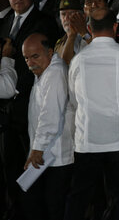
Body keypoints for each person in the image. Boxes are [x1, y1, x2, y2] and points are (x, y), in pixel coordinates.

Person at [64, 6, 119, 220]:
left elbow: (74, 99)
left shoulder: (78, 60)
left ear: (89, 29)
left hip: (88, 141)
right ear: (114, 26)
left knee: (79, 199)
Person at [0, 0, 59, 220]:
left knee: (32, 170)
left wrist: (12, 86)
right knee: (9, 170)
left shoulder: (43, 21)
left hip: (30, 106)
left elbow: (38, 64)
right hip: (6, 113)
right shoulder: (3, 23)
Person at [22, 33, 74, 220]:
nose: (30, 62)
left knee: (54, 207)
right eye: (26, 58)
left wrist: (37, 149)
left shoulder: (54, 72)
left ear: (50, 52)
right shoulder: (45, 71)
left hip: (55, 156)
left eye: (35, 56)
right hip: (47, 156)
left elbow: (50, 116)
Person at [54, 0, 90, 65]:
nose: (66, 18)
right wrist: (71, 37)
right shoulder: (60, 43)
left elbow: (97, 49)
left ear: (83, 16)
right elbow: (65, 65)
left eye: (71, 14)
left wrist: (84, 33)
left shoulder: (91, 35)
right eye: (63, 14)